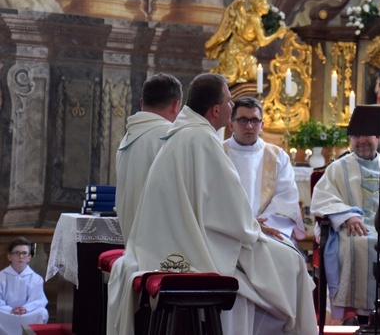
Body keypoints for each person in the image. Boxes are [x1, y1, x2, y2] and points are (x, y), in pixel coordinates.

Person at [107, 73, 317, 335]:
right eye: (229, 102)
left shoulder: (182, 135)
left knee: (281, 263)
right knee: (293, 263)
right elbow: (231, 217)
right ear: (216, 109)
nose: (231, 107)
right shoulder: (203, 140)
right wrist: (253, 227)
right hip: (197, 249)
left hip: (178, 243)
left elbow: (216, 207)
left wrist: (247, 224)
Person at [310, 131, 380, 325]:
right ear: (350, 139)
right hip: (355, 229)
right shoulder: (337, 169)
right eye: (357, 136)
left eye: (368, 135)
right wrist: (346, 216)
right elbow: (324, 198)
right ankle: (362, 314)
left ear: (379, 139)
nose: (362, 141)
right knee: (357, 245)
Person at [224, 96, 306, 242]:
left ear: (262, 125)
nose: (249, 126)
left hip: (269, 230)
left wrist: (262, 225)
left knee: (289, 257)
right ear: (231, 125)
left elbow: (286, 198)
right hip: (227, 230)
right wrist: (244, 226)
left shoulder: (277, 156)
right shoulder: (218, 152)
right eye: (243, 120)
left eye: (254, 121)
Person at [115, 73, 182, 244]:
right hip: (165, 251)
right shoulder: (171, 137)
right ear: (176, 105)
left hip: (132, 245)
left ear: (141, 102)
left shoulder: (127, 137)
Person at [205, 0, 287, 85]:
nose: (267, 6)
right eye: (265, 4)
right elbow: (262, 42)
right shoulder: (254, 19)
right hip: (235, 53)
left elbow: (256, 41)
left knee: (252, 75)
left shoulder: (254, 17)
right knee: (229, 79)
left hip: (244, 54)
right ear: (258, 6)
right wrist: (277, 33)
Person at [0, 237, 49, 334]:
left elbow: (38, 299)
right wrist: (10, 310)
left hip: (27, 313)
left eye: (24, 253)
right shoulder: (1, 276)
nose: (21, 256)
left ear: (29, 258)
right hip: (6, 313)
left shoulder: (36, 278)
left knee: (42, 313)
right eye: (16, 253)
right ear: (9, 257)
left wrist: (26, 308)